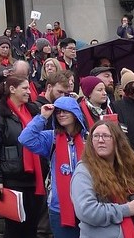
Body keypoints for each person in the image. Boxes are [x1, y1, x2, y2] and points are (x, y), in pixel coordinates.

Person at [71, 121, 134, 238]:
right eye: (96, 136)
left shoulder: (126, 168)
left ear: (117, 141)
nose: (100, 140)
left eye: (106, 136)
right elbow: (86, 211)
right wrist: (126, 210)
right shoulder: (84, 171)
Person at [0, 75, 46, 238]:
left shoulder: (33, 112)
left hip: (34, 180)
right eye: (25, 88)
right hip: (12, 180)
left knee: (31, 228)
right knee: (15, 230)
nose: (29, 92)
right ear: (12, 90)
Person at [19, 95, 88, 238]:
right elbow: (25, 138)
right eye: (58, 112)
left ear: (75, 113)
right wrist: (42, 116)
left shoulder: (89, 138)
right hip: (59, 208)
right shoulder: (51, 138)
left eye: (65, 111)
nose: (61, 114)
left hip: (88, 204)